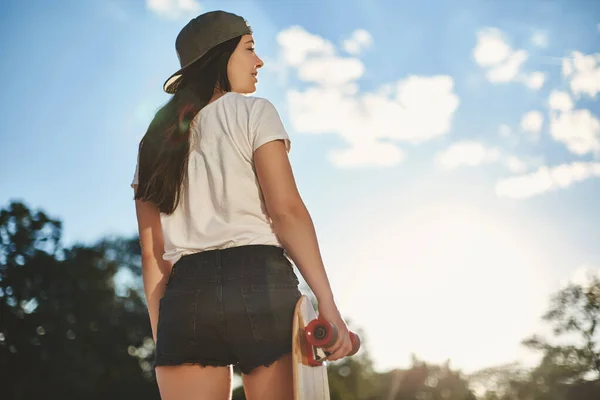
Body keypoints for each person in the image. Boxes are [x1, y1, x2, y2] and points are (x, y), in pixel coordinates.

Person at [131, 10, 353, 400]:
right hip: (260, 282)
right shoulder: (254, 112)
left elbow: (152, 255)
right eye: (249, 49)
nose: (259, 61)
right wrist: (327, 303)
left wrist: (164, 334)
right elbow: (286, 212)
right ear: (220, 56)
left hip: (185, 298)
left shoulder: (153, 143)